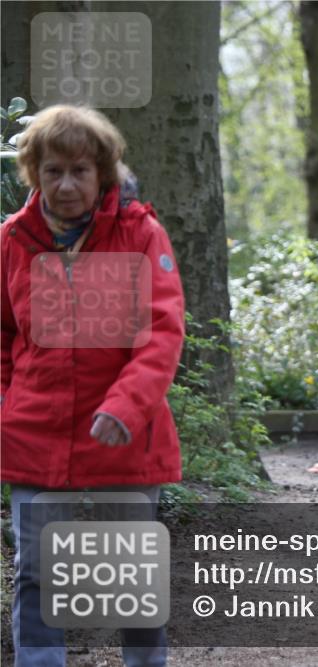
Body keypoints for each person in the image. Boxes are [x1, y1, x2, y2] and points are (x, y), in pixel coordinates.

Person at [1, 105, 185, 665]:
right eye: (53, 170)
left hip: (127, 433)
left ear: (102, 171)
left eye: (80, 170)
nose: (66, 184)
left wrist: (125, 406)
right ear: (33, 172)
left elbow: (162, 334)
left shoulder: (140, 233)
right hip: (35, 431)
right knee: (36, 570)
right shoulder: (13, 239)